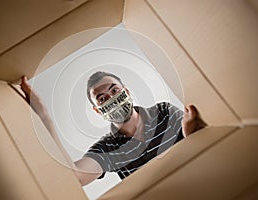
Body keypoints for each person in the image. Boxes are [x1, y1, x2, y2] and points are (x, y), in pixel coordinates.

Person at [20, 71, 205, 186]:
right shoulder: (106, 148)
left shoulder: (163, 111)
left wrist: (190, 132)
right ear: (97, 110)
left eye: (114, 90)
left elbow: (200, 144)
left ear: (126, 91)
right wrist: (44, 116)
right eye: (102, 98)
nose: (111, 99)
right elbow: (76, 178)